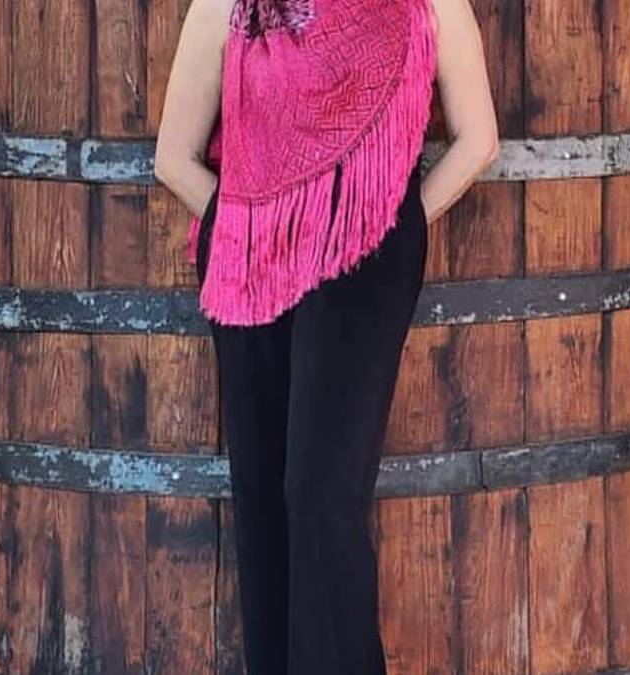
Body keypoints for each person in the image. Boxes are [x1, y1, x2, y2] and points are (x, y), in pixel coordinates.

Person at [153, 0, 498, 672]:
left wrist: (382, 229)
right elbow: (173, 157)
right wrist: (259, 232)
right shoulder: (231, 5)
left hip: (361, 271)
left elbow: (478, 139)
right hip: (249, 270)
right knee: (261, 499)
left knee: (321, 496)